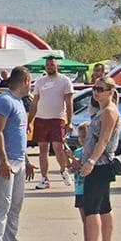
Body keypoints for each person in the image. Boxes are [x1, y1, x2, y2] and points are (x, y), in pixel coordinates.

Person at [0, 66, 36, 241]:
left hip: (18, 160)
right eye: (30, 81)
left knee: (16, 205)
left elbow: (19, 135)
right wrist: (3, 160)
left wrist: (26, 159)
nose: (31, 85)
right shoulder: (4, 100)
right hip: (4, 161)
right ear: (24, 80)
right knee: (2, 204)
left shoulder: (19, 102)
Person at [70, 79, 121, 241]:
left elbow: (104, 140)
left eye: (100, 89)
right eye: (94, 89)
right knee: (104, 207)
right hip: (98, 164)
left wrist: (90, 161)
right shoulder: (102, 111)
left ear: (110, 91)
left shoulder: (109, 112)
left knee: (92, 207)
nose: (96, 92)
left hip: (100, 165)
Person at [30, 56, 74, 189]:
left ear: (57, 66)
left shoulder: (64, 81)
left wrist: (69, 121)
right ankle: (44, 179)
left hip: (57, 118)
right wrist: (29, 120)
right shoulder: (40, 81)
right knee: (43, 149)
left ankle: (63, 169)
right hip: (41, 119)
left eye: (52, 64)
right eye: (48, 65)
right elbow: (35, 101)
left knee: (58, 148)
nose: (50, 66)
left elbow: (69, 102)